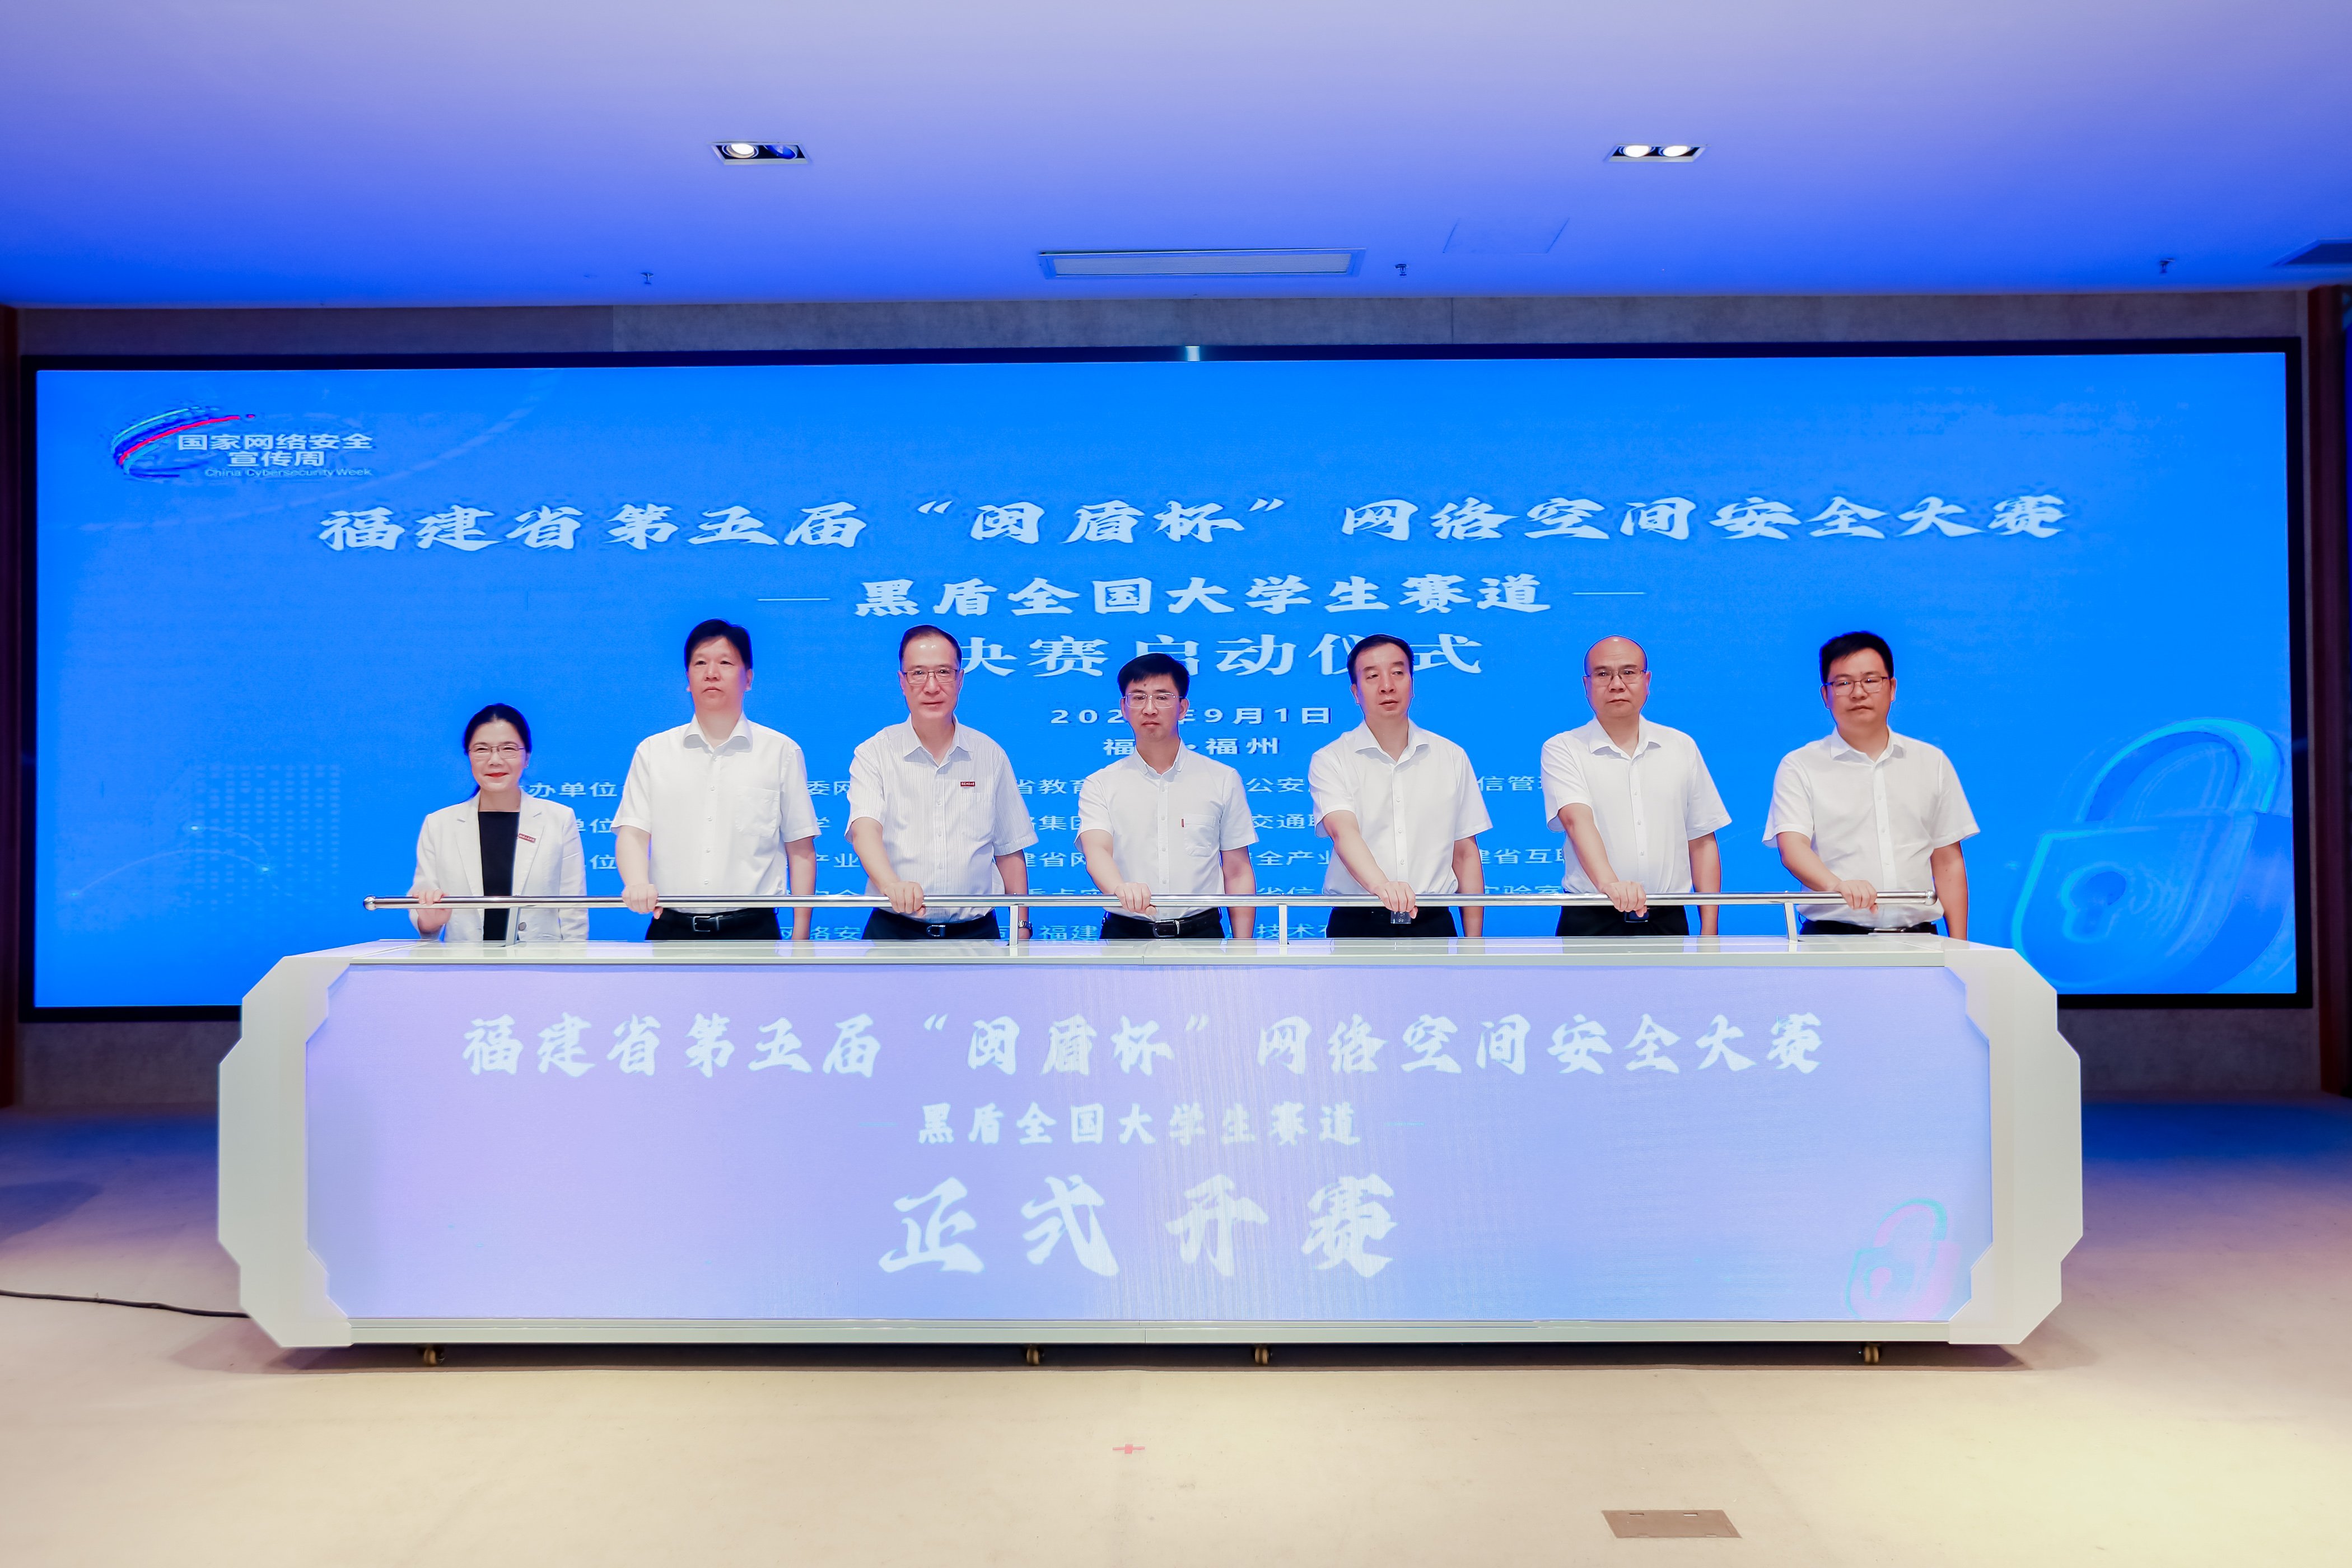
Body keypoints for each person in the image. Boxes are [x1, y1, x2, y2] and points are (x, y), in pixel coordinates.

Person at [615, 619, 819, 940]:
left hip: (754, 931)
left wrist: (801, 936)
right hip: (672, 929)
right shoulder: (654, 751)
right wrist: (637, 883)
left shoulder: (781, 752)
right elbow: (633, 833)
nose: (711, 673)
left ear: (748, 678)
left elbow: (801, 848)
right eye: (700, 663)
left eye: (725, 662)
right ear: (688, 678)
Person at [1767, 631, 1977, 936]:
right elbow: (1793, 848)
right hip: (1832, 940)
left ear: (1892, 688)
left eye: (1870, 680)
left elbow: (1948, 862)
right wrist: (1837, 886)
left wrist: (1960, 946)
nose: (1858, 693)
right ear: (1826, 696)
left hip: (1921, 939)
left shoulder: (1931, 761)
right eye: (1843, 683)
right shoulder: (1800, 765)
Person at [846, 624, 1037, 940]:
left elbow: (1009, 850)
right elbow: (864, 830)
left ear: (960, 680)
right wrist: (892, 885)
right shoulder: (874, 753)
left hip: (976, 933)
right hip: (894, 931)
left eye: (944, 672)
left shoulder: (989, 754)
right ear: (902, 682)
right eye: (918, 673)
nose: (932, 686)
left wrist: (1021, 926)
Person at [1542, 635, 1730, 937]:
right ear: (1586, 685)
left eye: (1628, 672)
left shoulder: (1680, 746)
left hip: (1668, 916)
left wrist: (1710, 930)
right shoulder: (1564, 748)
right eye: (1603, 674)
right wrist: (1611, 886)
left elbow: (1702, 839)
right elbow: (1577, 821)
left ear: (1647, 680)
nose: (1616, 684)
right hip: (1592, 916)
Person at [1308, 633, 1491, 939]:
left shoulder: (1451, 756)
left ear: (1412, 683)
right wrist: (1383, 887)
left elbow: (1465, 852)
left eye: (1397, 672)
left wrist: (1474, 941)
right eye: (1372, 676)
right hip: (1358, 922)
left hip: (1432, 920)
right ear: (1355, 692)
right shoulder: (1331, 759)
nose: (1387, 686)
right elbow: (1343, 832)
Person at [1077, 653, 1259, 939]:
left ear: (1183, 707)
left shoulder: (1222, 778)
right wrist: (1120, 889)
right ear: (1124, 708)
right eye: (1138, 698)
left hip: (1202, 934)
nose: (1150, 709)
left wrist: (1243, 947)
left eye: (1162, 697)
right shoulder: (1101, 783)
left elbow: (1237, 871)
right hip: (1125, 933)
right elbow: (1097, 850)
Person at [409, 703, 587, 943]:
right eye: (482, 749)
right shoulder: (439, 824)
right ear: (469, 756)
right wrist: (430, 923)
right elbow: (425, 910)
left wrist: (574, 961)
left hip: (541, 960)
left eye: (508, 749)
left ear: (527, 757)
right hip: (464, 961)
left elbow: (574, 911)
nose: (495, 760)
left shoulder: (559, 818)